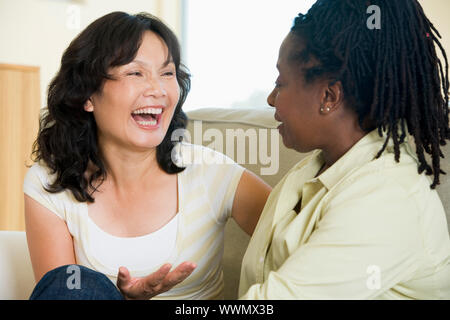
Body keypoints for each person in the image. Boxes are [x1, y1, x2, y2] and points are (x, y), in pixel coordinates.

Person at [24, 11, 271, 300]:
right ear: (87, 95)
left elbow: (301, 240)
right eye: (135, 72)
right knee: (72, 285)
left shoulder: (211, 171)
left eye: (167, 73)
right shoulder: (48, 183)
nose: (157, 89)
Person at [239, 0, 450, 299]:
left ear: (329, 96)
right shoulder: (315, 169)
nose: (272, 99)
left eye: (281, 82)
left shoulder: (388, 196)